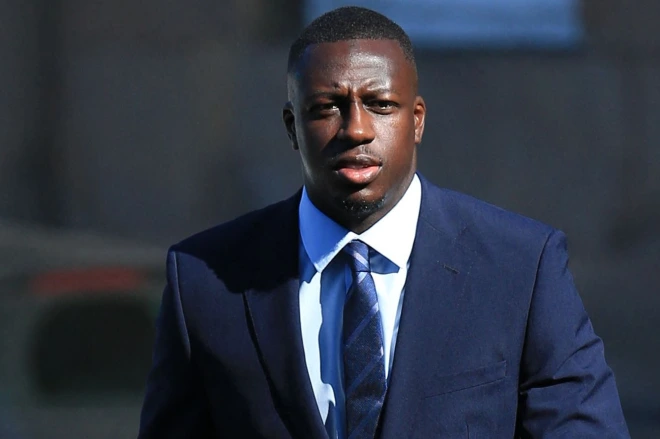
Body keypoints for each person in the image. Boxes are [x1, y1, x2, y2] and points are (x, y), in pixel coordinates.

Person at [138, 6, 630, 439]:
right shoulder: (205, 281)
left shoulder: (520, 267)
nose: (356, 129)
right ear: (292, 127)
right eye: (327, 108)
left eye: (381, 105)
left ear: (417, 120)